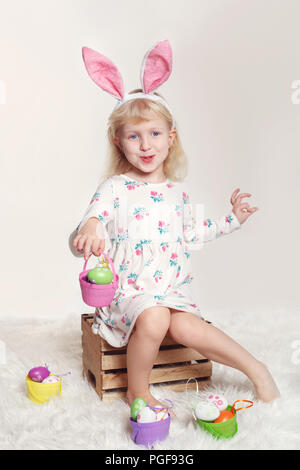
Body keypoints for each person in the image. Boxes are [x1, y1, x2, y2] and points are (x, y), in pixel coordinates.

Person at [70, 40, 280, 411]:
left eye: (153, 134)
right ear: (119, 142)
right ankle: (139, 391)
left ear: (171, 137)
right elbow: (92, 219)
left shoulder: (177, 194)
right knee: (154, 317)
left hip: (171, 289)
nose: (145, 145)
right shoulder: (115, 187)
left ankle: (256, 370)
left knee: (183, 326)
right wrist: (88, 230)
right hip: (128, 294)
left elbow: (194, 235)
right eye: (134, 136)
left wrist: (232, 220)